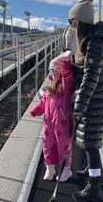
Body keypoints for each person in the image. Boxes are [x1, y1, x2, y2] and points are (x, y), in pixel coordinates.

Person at [68, 0, 103, 200]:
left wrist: (80, 105)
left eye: (72, 22)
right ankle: (90, 171)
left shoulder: (95, 43)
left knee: (90, 143)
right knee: (90, 139)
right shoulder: (94, 40)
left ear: (80, 22)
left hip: (93, 100)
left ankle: (94, 185)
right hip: (95, 99)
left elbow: (91, 77)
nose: (71, 26)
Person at [30, 51, 75, 182]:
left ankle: (66, 170)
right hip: (48, 122)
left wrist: (67, 67)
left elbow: (68, 80)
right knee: (47, 145)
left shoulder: (65, 87)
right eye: (50, 70)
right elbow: (44, 102)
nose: (51, 73)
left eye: (53, 70)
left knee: (63, 146)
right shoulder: (50, 87)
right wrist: (37, 110)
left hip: (62, 122)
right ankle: (50, 169)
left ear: (60, 70)